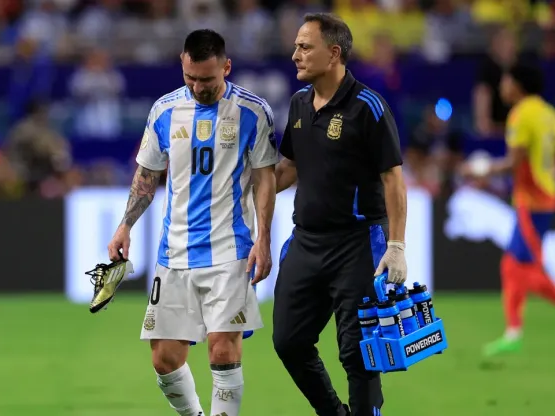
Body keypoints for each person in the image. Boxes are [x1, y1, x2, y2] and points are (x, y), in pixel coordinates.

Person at [102, 29, 278, 416]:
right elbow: (147, 175)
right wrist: (124, 226)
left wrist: (264, 238)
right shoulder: (164, 111)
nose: (198, 87)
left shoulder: (252, 111)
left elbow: (266, 177)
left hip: (231, 250)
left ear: (226, 67)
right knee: (164, 359)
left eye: (208, 80)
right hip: (174, 253)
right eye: (190, 78)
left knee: (222, 350)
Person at [273, 13, 408, 416]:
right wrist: (243, 189)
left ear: (333, 54)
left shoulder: (368, 106)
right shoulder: (298, 104)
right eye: (296, 45)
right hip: (307, 241)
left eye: (304, 46)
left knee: (360, 353)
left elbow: (393, 181)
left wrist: (397, 246)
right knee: (289, 342)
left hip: (357, 243)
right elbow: (289, 168)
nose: (295, 54)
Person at [460, 62, 555, 357]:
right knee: (513, 267)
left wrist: (481, 168)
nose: (502, 86)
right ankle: (517, 330)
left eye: (507, 80)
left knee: (525, 271)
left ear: (517, 85)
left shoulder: (521, 115)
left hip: (532, 201)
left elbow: (513, 164)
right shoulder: (551, 115)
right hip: (545, 200)